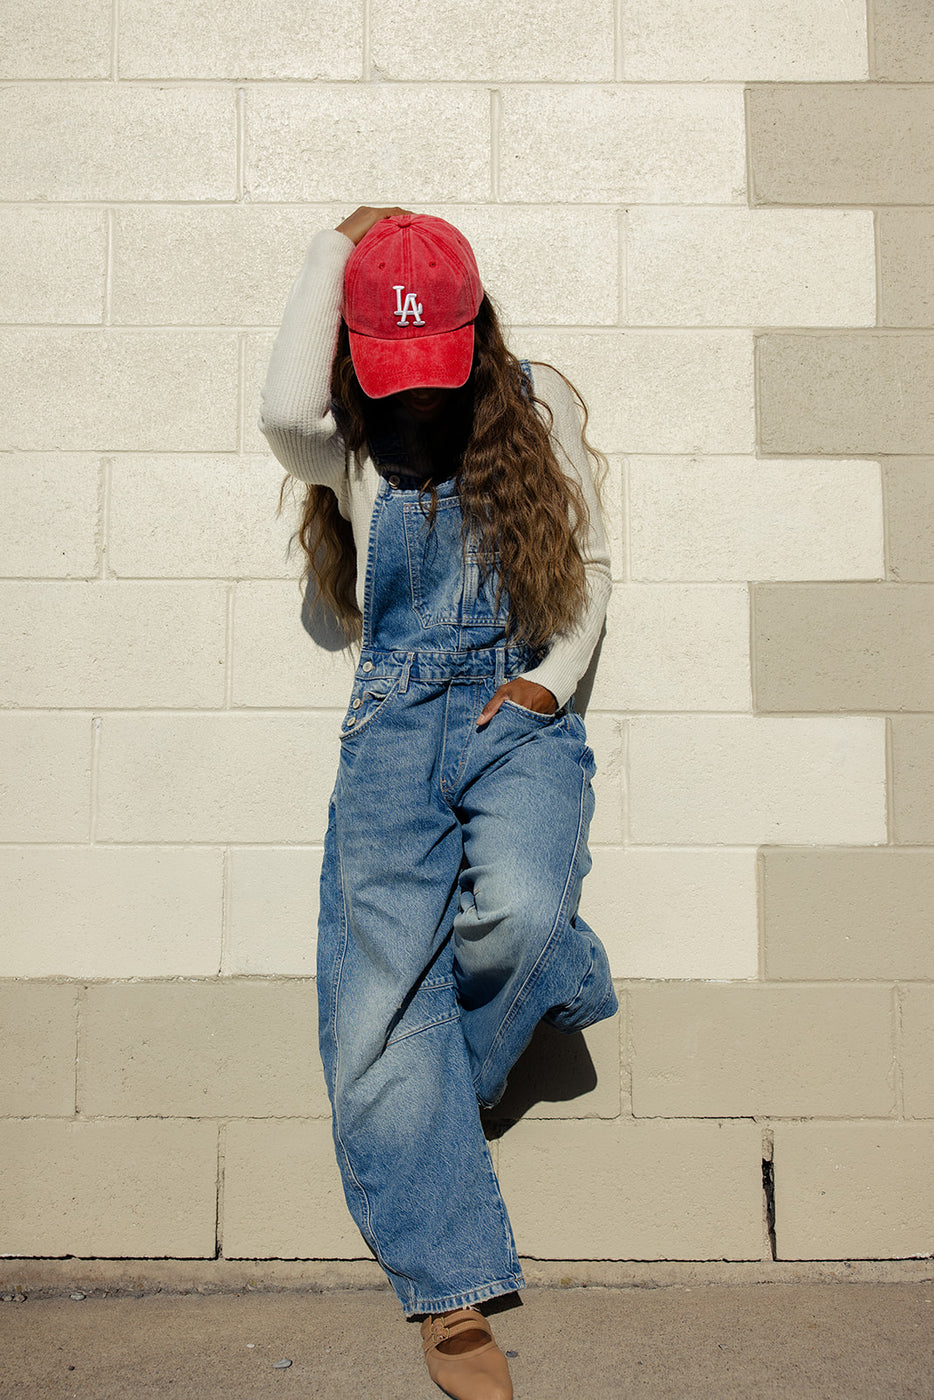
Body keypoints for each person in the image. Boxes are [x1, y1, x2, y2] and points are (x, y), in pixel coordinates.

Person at [259, 206, 618, 1400]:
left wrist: (545, 680)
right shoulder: (347, 440)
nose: (417, 396)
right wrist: (330, 247)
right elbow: (281, 415)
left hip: (514, 711)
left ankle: (446, 1089)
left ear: (476, 330)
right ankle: (453, 1288)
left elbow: (590, 563)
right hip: (392, 724)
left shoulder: (539, 402)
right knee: (374, 1006)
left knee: (520, 911)